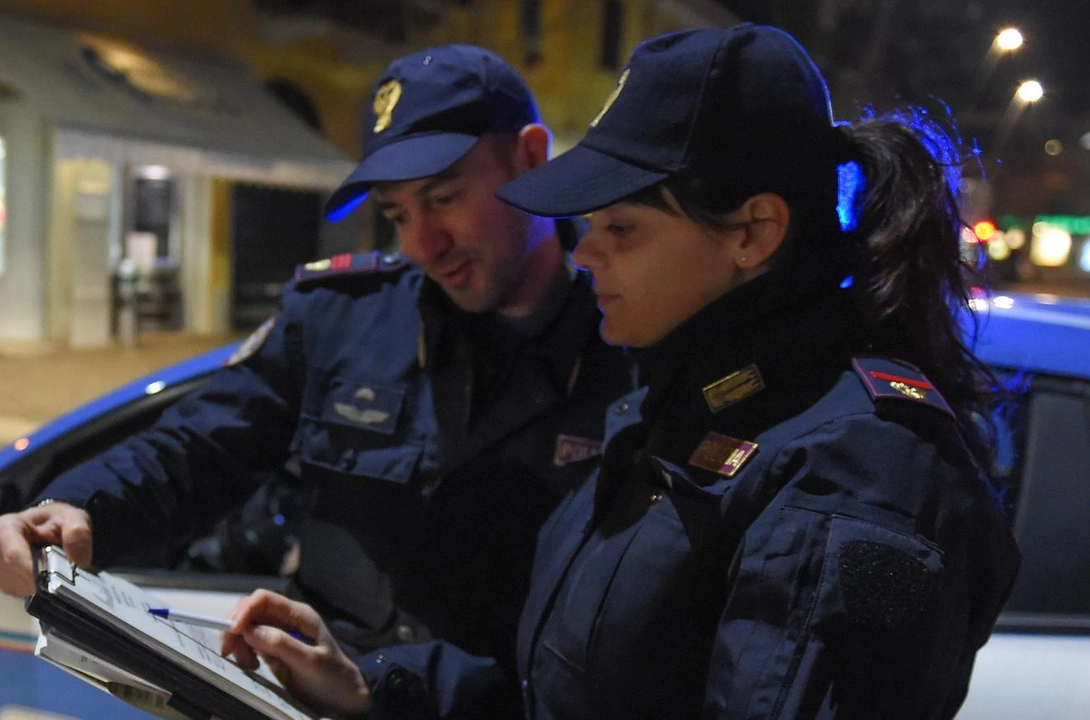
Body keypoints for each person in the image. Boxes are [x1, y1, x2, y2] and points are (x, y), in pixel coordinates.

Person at [220, 23, 1021, 720]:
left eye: (622, 226)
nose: (586, 248)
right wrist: (372, 684)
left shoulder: (855, 475)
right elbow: (566, 694)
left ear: (753, 232)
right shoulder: (683, 403)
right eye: (589, 222)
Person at [0, 43, 635, 712]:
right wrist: (80, 508)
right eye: (399, 214)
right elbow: (197, 448)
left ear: (530, 156)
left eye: (445, 198)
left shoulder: (639, 340)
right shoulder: (343, 319)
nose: (421, 245)